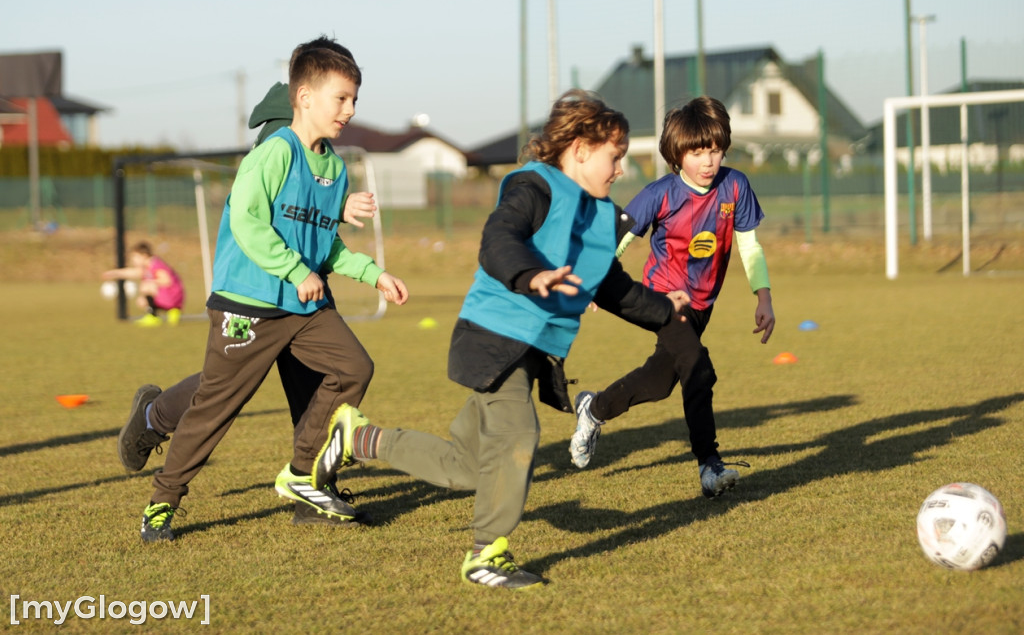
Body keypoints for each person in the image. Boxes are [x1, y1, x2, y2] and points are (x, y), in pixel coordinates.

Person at [310, 90, 688, 590]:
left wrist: (665, 310)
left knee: (464, 467)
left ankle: (357, 437)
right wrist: (531, 274)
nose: (620, 169)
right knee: (517, 437)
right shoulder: (533, 187)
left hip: (531, 353)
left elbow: (612, 287)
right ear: (579, 150)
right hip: (492, 340)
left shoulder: (601, 217)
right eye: (613, 157)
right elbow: (499, 240)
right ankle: (486, 555)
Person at [137, 39, 408, 543]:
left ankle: (303, 477)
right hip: (249, 304)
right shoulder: (273, 153)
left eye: (354, 100)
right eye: (341, 99)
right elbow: (247, 221)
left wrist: (373, 274)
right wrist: (293, 269)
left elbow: (324, 246)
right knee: (218, 403)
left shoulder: (333, 166)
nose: (349, 111)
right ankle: (162, 501)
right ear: (304, 97)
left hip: (304, 305)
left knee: (354, 368)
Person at [568, 95, 775, 499]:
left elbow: (749, 246)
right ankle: (709, 466)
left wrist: (762, 297)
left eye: (714, 150)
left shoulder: (735, 186)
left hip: (702, 306)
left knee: (663, 380)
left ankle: (593, 409)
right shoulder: (659, 194)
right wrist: (593, 282)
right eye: (697, 152)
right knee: (698, 367)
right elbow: (619, 238)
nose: (708, 161)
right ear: (676, 154)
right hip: (663, 300)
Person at [102, 241, 185, 326]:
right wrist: (115, 273)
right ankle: (173, 312)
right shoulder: (148, 266)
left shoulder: (156, 265)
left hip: (172, 296)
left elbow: (167, 281)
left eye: (135, 257)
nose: (133, 260)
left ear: (144, 256)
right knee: (142, 299)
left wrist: (150, 282)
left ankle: (153, 316)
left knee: (146, 286)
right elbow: (134, 272)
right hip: (169, 298)